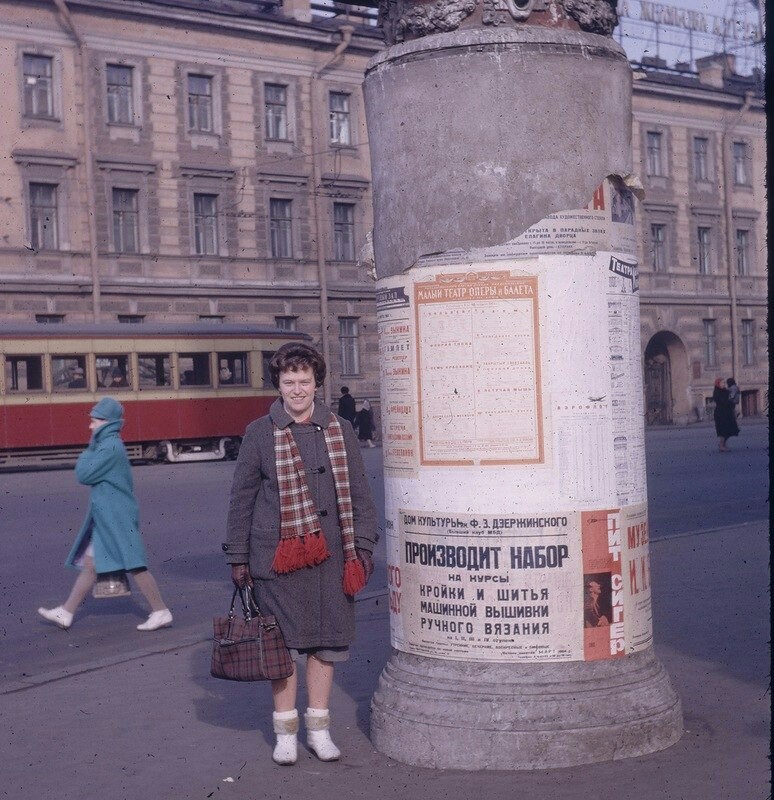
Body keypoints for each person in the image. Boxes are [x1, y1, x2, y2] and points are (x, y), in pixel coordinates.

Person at [224, 343, 378, 766]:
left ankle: (319, 730)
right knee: (284, 650)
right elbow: (242, 499)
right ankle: (286, 733)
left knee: (326, 647)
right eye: (289, 382)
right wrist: (238, 558)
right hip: (278, 560)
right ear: (278, 384)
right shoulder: (260, 432)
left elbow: (361, 493)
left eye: (304, 381)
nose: (297, 389)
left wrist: (363, 547)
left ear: (316, 384)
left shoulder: (340, 428)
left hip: (333, 559)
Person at [38, 397, 173, 632]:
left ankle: (161, 611)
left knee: (134, 562)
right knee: (92, 563)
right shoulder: (108, 444)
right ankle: (66, 612)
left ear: (106, 423)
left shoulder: (109, 447)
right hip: (108, 514)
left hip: (116, 515)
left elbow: (83, 474)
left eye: (94, 421)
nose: (90, 426)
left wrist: (89, 448)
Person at [712, 378, 739, 452]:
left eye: (724, 383)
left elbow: (730, 398)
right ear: (718, 384)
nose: (724, 384)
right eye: (722, 383)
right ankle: (721, 445)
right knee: (723, 430)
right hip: (720, 413)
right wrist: (729, 402)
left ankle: (723, 444)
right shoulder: (717, 392)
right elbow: (722, 401)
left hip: (727, 412)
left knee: (730, 430)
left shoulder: (725, 391)